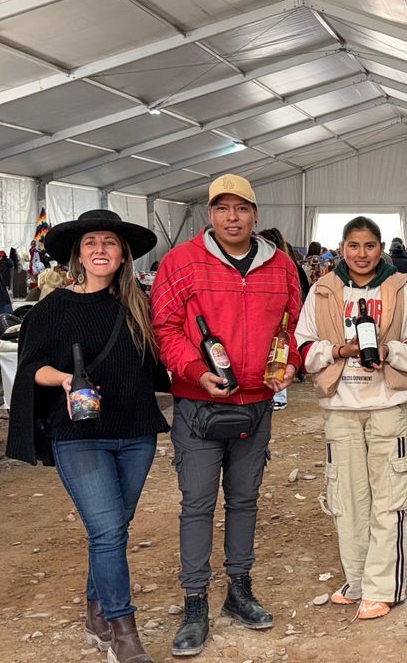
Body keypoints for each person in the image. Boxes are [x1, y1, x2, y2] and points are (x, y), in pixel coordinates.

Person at [6, 209, 167, 663]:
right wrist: (61, 379)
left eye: (110, 243)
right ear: (79, 253)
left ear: (123, 255)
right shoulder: (52, 308)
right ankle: (124, 632)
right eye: (91, 242)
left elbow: (161, 364)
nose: (100, 249)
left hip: (137, 433)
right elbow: (30, 369)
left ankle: (96, 609)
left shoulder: (138, 306)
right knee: (109, 531)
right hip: (79, 435)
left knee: (112, 530)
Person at [151, 173, 302, 657]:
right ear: (209, 215)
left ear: (256, 215)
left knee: (245, 499)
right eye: (222, 209)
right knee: (197, 503)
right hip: (198, 406)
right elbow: (166, 327)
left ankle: (239, 589)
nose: (232, 218)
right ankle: (195, 600)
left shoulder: (280, 266)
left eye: (241, 209)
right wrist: (196, 371)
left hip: (255, 405)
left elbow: (295, 325)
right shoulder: (182, 262)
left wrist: (289, 366)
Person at [296, 216, 407, 620]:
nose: (361, 254)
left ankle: (383, 586)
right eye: (353, 246)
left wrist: (389, 352)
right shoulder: (323, 291)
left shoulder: (399, 289)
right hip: (340, 406)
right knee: (348, 498)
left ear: (380, 248)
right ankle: (357, 580)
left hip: (387, 405)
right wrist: (338, 351)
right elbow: (303, 347)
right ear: (342, 248)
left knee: (389, 497)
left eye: (369, 246)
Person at [259, 227, 312, 410]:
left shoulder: (286, 265)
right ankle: (277, 393)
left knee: (280, 352)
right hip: (280, 318)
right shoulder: (289, 264)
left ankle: (279, 393)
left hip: (284, 318)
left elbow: (300, 290)